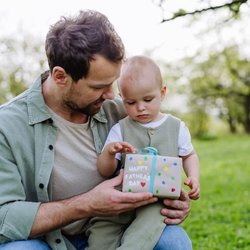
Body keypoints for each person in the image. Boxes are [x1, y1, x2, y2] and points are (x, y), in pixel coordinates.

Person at [0, 10, 191, 250]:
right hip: (46, 241)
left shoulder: (121, 112)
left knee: (174, 241)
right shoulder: (6, 126)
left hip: (118, 230)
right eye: (99, 86)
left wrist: (173, 199)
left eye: (113, 83)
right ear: (60, 76)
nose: (111, 96)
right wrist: (87, 204)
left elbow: (167, 148)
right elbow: (2, 217)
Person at [85, 55, 200, 250]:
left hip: (157, 199)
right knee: (100, 233)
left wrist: (193, 177)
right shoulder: (120, 129)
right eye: (130, 102)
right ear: (122, 98)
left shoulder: (176, 127)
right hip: (120, 199)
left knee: (146, 230)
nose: (140, 107)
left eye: (148, 99)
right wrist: (110, 154)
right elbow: (105, 170)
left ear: (162, 93)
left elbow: (189, 155)